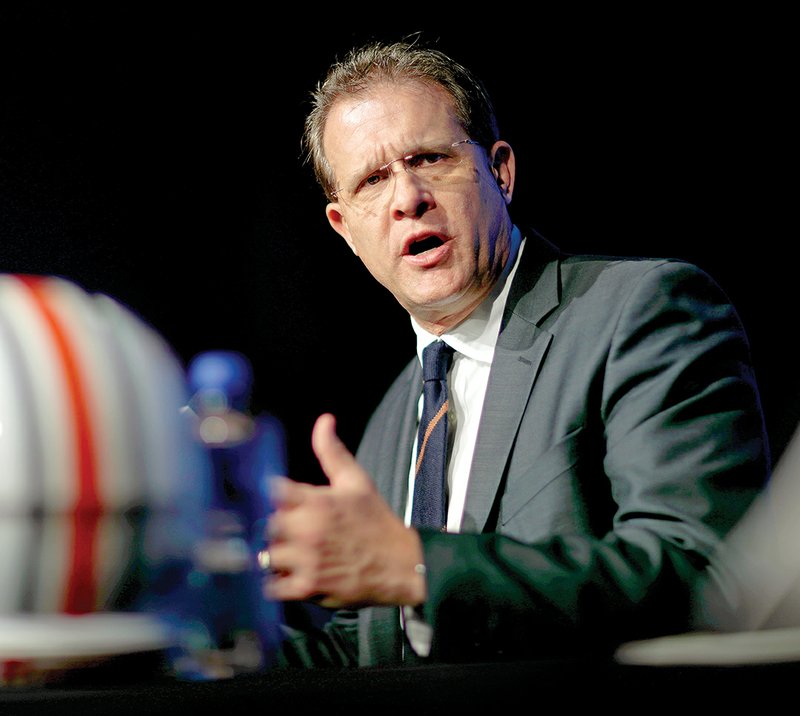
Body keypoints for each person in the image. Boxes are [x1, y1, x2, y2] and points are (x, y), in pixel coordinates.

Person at [262, 38, 770, 667]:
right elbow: (370, 648)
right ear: (345, 229)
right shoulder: (394, 418)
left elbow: (702, 570)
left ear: (500, 171)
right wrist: (206, 648)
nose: (406, 198)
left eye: (429, 158)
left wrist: (418, 567)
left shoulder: (641, 312)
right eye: (373, 180)